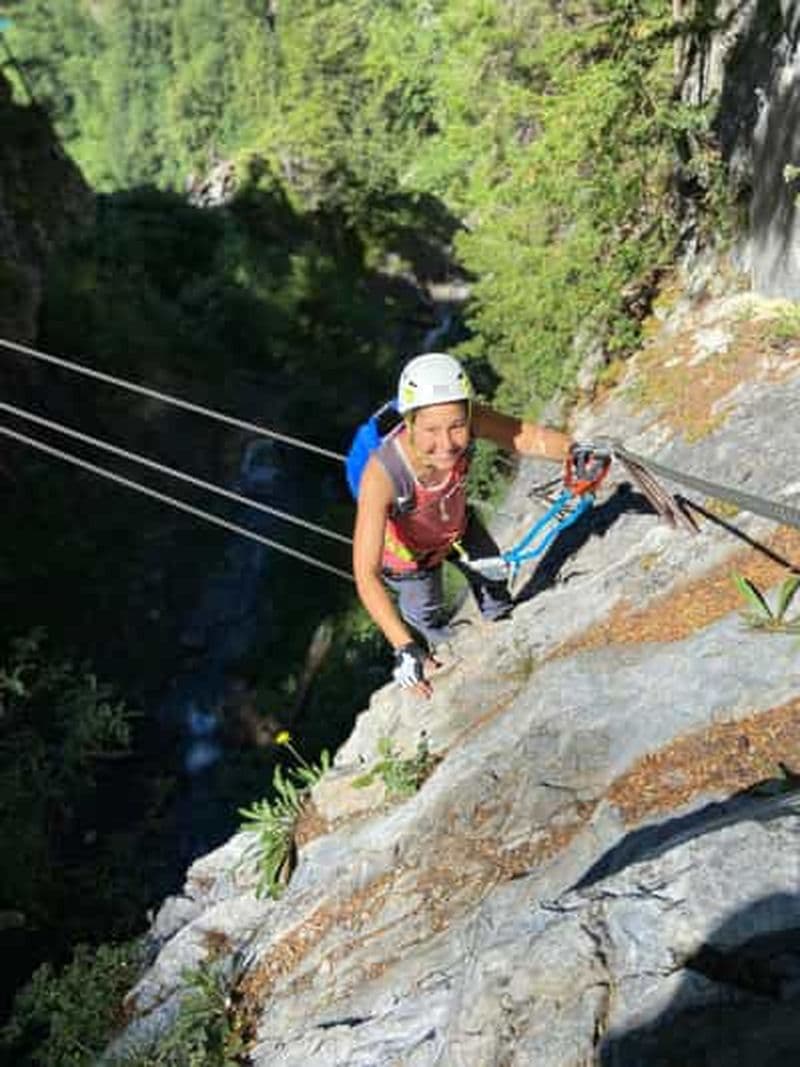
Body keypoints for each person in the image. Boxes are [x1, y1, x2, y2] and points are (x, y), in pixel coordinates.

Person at [352, 351, 575, 699]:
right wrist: (404, 647)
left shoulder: (471, 419)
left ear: (467, 415)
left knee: (494, 578)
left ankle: (503, 623)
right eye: (430, 430)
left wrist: (577, 452)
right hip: (409, 562)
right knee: (428, 618)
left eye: (457, 426)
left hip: (457, 524)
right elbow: (365, 574)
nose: (446, 443)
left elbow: (526, 437)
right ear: (409, 422)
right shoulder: (381, 475)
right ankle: (433, 659)